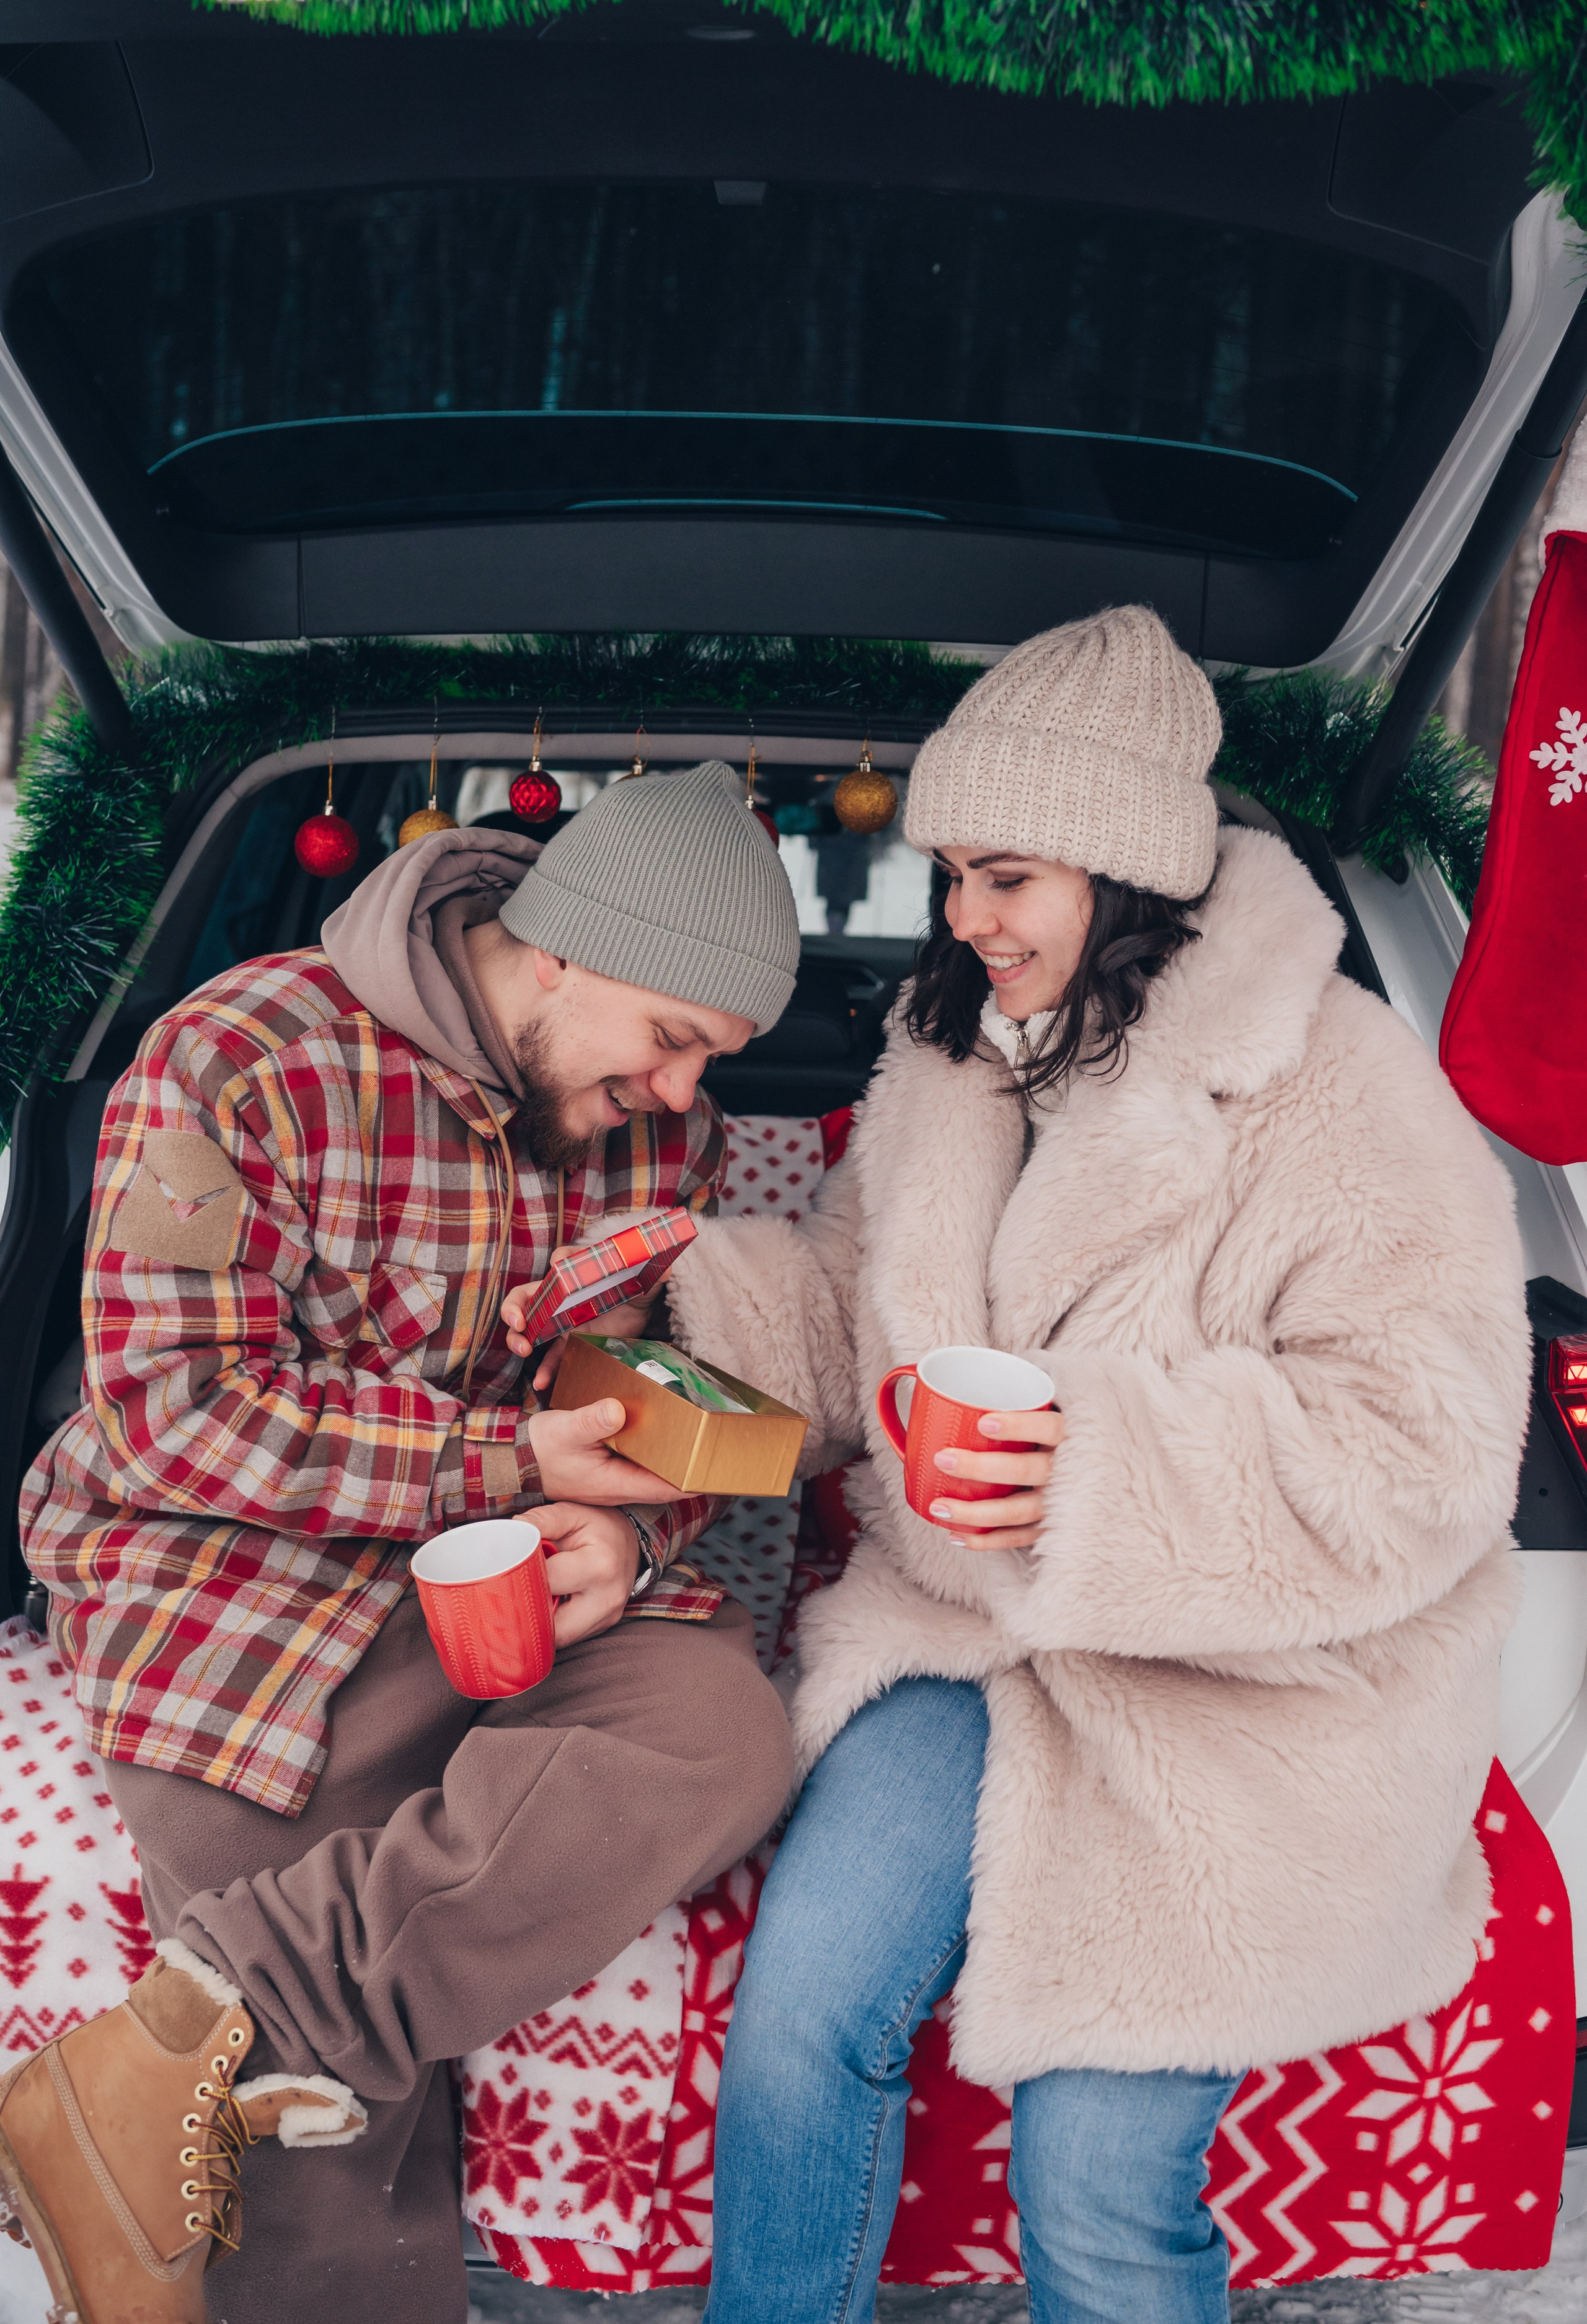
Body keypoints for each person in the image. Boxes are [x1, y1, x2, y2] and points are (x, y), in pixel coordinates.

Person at [660, 609, 1531, 2324]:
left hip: (1258, 1697)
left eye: (1005, 876)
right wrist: (682, 1296)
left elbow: (1424, 1444)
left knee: (1098, 2171)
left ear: (1125, 867)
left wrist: (1101, 1470)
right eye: (954, 877)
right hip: (964, 1630)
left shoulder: (1337, 1083)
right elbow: (853, 1317)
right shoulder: (948, 1059)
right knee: (794, 2035)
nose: (965, 919)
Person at [0, 759, 798, 2324]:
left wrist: (629, 1538)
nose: (687, 1096)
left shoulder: (647, 1136)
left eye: (715, 1062)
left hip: (501, 1580)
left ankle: (174, 2040)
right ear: (561, 950)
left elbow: (646, 1394)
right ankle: (220, 2127)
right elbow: (172, 1413)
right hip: (225, 1583)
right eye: (675, 1040)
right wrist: (496, 1455)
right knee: (320, 2070)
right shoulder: (240, 1054)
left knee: (720, 1731)